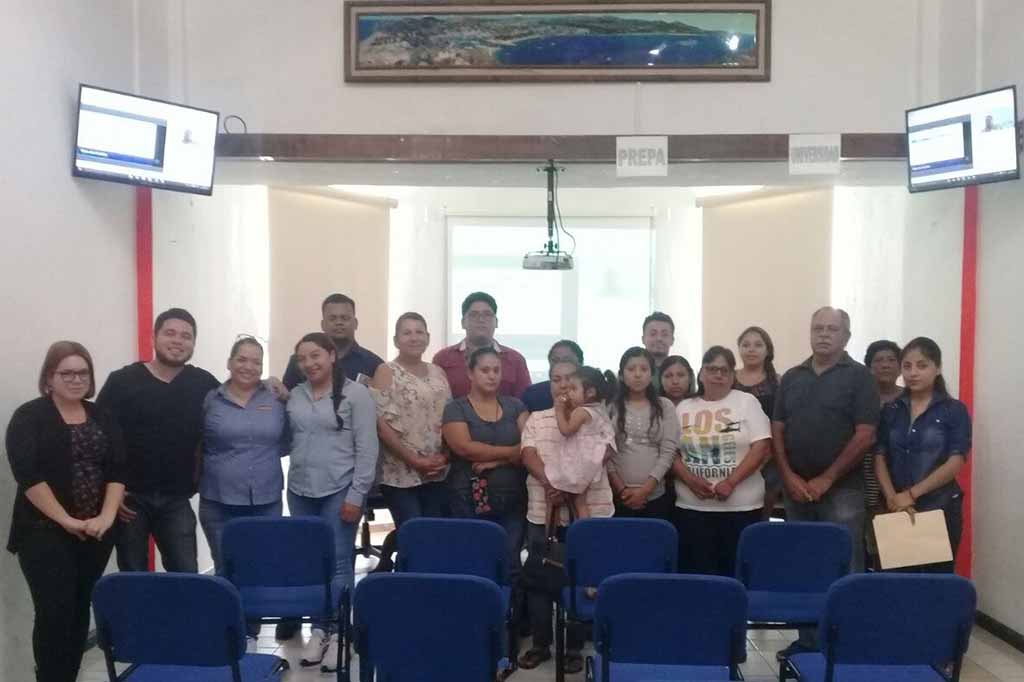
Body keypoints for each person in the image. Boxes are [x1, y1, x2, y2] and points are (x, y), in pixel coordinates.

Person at [6, 341, 126, 682]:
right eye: (67, 373)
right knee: (53, 612)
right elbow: (28, 475)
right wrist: (66, 520)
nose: (76, 379)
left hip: (95, 533)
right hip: (43, 532)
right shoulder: (29, 416)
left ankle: (68, 676)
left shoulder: (102, 415)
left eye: (83, 373)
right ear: (49, 377)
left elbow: (118, 470)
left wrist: (106, 517)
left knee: (78, 610)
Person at [772, 307, 879, 658]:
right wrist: (788, 476)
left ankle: (847, 645)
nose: (823, 334)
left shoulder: (860, 377)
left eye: (832, 329)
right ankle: (808, 642)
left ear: (846, 336)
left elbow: (865, 434)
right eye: (817, 328)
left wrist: (827, 478)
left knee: (845, 565)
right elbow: (778, 428)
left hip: (842, 490)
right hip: (796, 490)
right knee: (805, 564)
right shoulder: (792, 376)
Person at [97, 308, 219, 573]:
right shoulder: (122, 381)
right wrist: (110, 492)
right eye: (170, 333)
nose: (178, 341)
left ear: (194, 343)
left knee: (186, 575)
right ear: (154, 337)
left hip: (177, 498)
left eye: (186, 336)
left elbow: (238, 397)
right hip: (129, 499)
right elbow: (100, 437)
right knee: (134, 576)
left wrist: (270, 385)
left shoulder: (203, 383)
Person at [286, 332, 379, 671]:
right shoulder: (295, 394)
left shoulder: (356, 394)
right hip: (300, 490)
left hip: (340, 489)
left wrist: (357, 494)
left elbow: (367, 449)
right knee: (313, 563)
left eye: (315, 355)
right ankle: (318, 630)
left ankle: (340, 633)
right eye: (302, 358)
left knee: (339, 563)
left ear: (331, 356)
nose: (309, 363)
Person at [518, 360, 615, 673]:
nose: (562, 386)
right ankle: (540, 644)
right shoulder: (537, 418)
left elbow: (605, 453)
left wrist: (572, 486)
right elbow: (528, 454)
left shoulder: (597, 416)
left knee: (581, 577)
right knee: (540, 578)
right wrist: (553, 484)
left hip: (591, 508)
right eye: (556, 379)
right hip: (543, 509)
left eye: (569, 380)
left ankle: (574, 647)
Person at [197, 337, 288, 589]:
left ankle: (254, 615)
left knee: (262, 566)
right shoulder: (210, 399)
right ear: (229, 363)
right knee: (226, 568)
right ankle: (228, 615)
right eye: (242, 359)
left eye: (256, 362)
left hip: (266, 499)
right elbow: (196, 440)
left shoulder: (276, 397)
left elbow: (290, 439)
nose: (248, 367)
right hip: (218, 500)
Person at [673, 346, 771, 576]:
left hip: (741, 507)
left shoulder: (747, 402)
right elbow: (670, 452)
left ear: (732, 376)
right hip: (692, 507)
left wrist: (731, 482)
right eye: (711, 369)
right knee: (697, 575)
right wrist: (690, 480)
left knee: (737, 574)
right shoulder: (683, 407)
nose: (718, 375)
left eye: (724, 370)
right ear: (701, 374)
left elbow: (762, 446)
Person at [874, 337, 970, 573]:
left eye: (922, 365)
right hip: (896, 507)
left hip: (940, 506)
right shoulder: (891, 410)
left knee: (935, 581)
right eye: (907, 366)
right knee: (896, 580)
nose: (913, 373)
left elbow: (956, 461)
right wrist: (894, 499)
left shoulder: (954, 410)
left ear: (937, 368)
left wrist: (911, 494)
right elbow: (879, 456)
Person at [369, 313, 451, 571]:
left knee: (434, 536)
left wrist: (444, 457)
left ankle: (430, 586)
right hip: (400, 473)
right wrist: (415, 460)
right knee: (412, 535)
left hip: (437, 470)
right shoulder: (386, 371)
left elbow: (449, 417)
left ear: (427, 337)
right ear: (396, 340)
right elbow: (382, 426)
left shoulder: (438, 372)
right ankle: (408, 585)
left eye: (419, 332)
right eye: (407, 332)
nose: (414, 337)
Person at [441, 347, 529, 581]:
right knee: (474, 560)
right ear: (470, 373)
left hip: (513, 497)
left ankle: (510, 604)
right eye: (485, 370)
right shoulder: (456, 408)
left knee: (510, 562)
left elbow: (530, 446)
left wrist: (495, 461)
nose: (492, 376)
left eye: (496, 370)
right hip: (467, 497)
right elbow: (464, 448)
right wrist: (510, 452)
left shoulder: (515, 406)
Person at [607, 347, 678, 519]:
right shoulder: (611, 407)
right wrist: (621, 490)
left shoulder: (665, 406)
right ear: (622, 375)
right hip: (619, 496)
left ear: (652, 374)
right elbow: (605, 453)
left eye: (644, 369)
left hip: (656, 496)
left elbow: (668, 451)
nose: (638, 374)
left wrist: (645, 490)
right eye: (631, 369)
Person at [434, 291, 532, 399]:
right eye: (474, 314)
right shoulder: (443, 359)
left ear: (496, 322)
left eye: (487, 314)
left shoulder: (515, 360)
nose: (481, 319)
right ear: (463, 323)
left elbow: (525, 402)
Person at [550, 366, 617, 519]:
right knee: (579, 499)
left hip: (583, 460)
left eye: (574, 389)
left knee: (579, 500)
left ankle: (582, 527)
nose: (569, 393)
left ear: (590, 392)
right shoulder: (599, 409)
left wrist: (559, 410)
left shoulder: (581, 412)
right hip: (594, 458)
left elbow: (566, 430)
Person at [282, 293, 384, 389]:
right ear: (322, 325)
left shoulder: (374, 364)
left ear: (356, 323)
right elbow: (286, 397)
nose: (339, 322)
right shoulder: (301, 361)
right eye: (332, 318)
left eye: (345, 318)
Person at [733, 326, 781, 520]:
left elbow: (781, 420)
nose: (751, 349)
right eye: (746, 345)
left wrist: (767, 454)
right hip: (733, 452)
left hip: (770, 457)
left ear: (767, 350)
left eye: (758, 345)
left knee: (761, 514)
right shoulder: (728, 378)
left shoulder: (778, 382)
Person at [863, 339, 902, 568]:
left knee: (901, 551)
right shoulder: (861, 399)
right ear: (868, 367)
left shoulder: (910, 399)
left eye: (891, 360)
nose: (885, 365)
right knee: (872, 546)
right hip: (865, 478)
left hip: (902, 483)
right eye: (878, 360)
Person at [520, 339, 584, 412]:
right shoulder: (533, 394)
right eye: (555, 360)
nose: (560, 364)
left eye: (566, 360)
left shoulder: (591, 392)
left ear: (580, 363)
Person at [642, 312, 676, 388]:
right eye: (653, 334)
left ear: (672, 340)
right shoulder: (632, 372)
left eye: (664, 334)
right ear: (643, 339)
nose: (659, 338)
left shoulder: (682, 372)